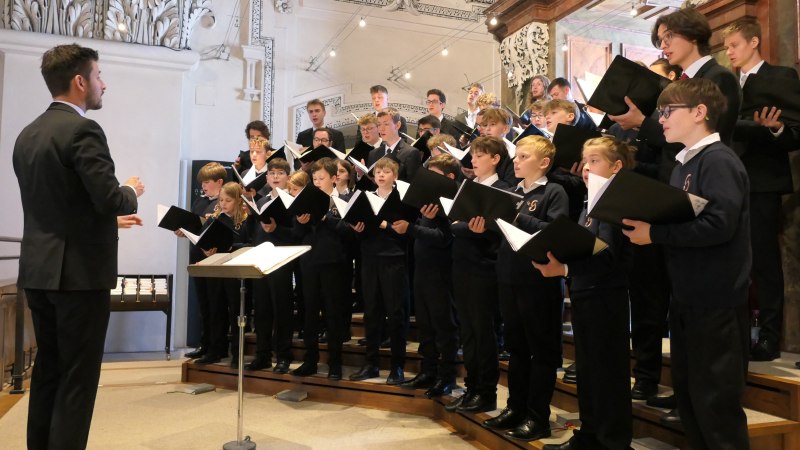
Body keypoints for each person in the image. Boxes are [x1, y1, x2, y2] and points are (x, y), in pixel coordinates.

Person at [12, 43, 143, 450]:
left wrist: (106, 218)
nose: (104, 84)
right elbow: (108, 197)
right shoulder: (83, 129)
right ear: (80, 81)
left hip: (39, 270)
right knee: (78, 380)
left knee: (49, 371)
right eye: (99, 76)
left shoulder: (28, 133)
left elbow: (58, 204)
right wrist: (129, 191)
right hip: (79, 275)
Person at [622, 78, 752, 450]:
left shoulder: (719, 160)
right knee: (692, 400)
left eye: (667, 111)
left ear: (699, 112)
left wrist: (656, 234)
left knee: (716, 405)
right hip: (687, 295)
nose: (660, 119)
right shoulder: (683, 164)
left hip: (716, 299)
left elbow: (720, 225)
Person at [536, 136, 635, 450]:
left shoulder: (617, 202)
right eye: (586, 162)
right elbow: (582, 245)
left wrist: (564, 270)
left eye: (595, 161)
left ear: (616, 166)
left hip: (607, 296)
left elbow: (606, 255)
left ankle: (613, 440)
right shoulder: (590, 202)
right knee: (589, 371)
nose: (587, 169)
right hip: (585, 292)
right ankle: (590, 433)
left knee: (608, 372)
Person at [723, 17, 800, 362]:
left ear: (754, 42)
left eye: (734, 45)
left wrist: (775, 129)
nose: (729, 52)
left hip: (762, 181)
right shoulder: (725, 83)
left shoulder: (780, 78)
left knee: (765, 262)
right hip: (725, 180)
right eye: (726, 47)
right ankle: (737, 334)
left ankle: (769, 336)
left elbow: (795, 133)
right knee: (731, 261)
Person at [484, 136, 568, 441]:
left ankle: (538, 417)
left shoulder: (553, 192)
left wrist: (520, 217)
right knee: (517, 349)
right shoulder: (508, 192)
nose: (515, 161)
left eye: (523, 156)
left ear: (543, 162)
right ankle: (515, 408)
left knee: (541, 351)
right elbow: (499, 234)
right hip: (509, 276)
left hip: (539, 280)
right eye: (515, 156)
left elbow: (556, 232)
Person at [445, 136, 510, 414]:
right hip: (462, 265)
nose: (473, 160)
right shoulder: (468, 187)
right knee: (468, 331)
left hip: (485, 267)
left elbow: (500, 230)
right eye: (472, 155)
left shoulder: (504, 189)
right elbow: (454, 225)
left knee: (483, 332)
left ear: (495, 159)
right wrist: (466, 227)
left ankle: (486, 392)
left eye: (480, 155)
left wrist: (476, 228)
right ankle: (471, 387)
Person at [397, 154, 461, 398]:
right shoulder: (429, 202)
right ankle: (428, 370)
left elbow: (445, 239)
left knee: (443, 325)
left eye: (434, 176)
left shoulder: (453, 203)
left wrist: (411, 228)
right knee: (424, 323)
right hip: (422, 269)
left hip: (442, 271)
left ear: (450, 178)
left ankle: (447, 377)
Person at [291, 158, 354, 380]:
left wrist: (328, 218)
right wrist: (301, 221)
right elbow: (296, 235)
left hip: (335, 263)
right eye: (314, 179)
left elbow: (351, 232)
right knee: (309, 313)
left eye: (321, 178)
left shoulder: (343, 201)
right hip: (309, 261)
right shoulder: (305, 200)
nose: (317, 182)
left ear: (334, 178)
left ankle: (334, 362)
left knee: (333, 313)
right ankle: (310, 360)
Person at [349, 157, 410, 384]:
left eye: (386, 171)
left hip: (393, 259)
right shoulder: (366, 197)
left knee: (395, 314)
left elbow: (406, 231)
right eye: (378, 172)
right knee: (372, 312)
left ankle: (397, 367)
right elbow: (360, 229)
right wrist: (358, 227)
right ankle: (371, 364)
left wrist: (384, 224)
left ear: (394, 175)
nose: (381, 175)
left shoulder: (402, 197)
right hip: (370, 258)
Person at [246, 158, 296, 373]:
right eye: (272, 173)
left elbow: (297, 234)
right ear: (266, 178)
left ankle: (283, 356)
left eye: (280, 173)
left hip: (281, 260)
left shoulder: (292, 201)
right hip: (261, 259)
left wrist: (276, 228)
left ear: (288, 177)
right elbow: (253, 233)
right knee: (262, 310)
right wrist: (250, 217)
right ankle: (263, 355)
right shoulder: (259, 200)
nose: (275, 177)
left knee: (282, 310)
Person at [183, 162, 227, 362]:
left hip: (214, 258)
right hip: (198, 257)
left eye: (207, 182)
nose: (203, 186)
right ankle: (205, 344)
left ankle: (217, 348)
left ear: (219, 182)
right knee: (203, 304)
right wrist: (182, 230)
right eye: (202, 183)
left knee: (216, 305)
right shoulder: (199, 202)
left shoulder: (223, 202)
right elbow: (194, 227)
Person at [366, 108, 422, 181]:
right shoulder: (373, 154)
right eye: (379, 125)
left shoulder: (411, 153)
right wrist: (361, 175)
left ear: (398, 125)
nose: (381, 129)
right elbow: (368, 186)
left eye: (386, 124)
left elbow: (413, 185)